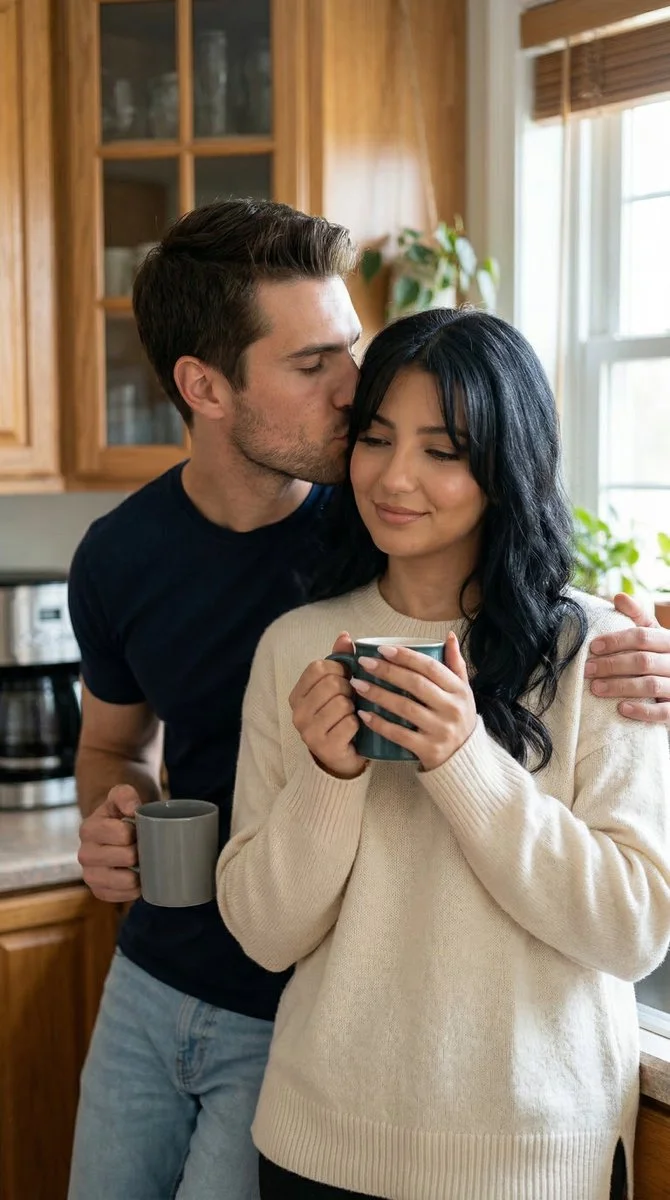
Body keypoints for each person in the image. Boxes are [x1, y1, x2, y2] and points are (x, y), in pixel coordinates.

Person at [68, 198, 670, 1200]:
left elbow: (529, 549)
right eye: (315, 368)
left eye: (351, 350)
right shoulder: (141, 565)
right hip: (180, 983)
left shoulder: (422, 528)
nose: (357, 399)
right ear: (203, 387)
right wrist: (111, 819)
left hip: (326, 1048)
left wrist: (639, 655)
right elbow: (113, 750)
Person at [217, 308, 670, 1200]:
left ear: (506, 469)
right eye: (376, 438)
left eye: (444, 449)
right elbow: (265, 936)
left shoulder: (605, 652)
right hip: (321, 1151)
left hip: (534, 1160)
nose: (394, 477)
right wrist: (329, 777)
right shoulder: (296, 647)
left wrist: (466, 762)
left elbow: (632, 929)